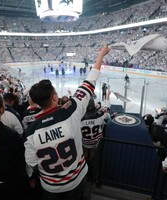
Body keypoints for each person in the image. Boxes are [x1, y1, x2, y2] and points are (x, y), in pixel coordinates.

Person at [24, 45, 110, 200]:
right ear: (55, 97)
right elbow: (89, 83)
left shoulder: (30, 131)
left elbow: (31, 163)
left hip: (51, 186)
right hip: (77, 180)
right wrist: (101, 55)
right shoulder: (72, 110)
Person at [81, 98, 107, 183]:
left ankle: (85, 174)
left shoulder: (80, 119)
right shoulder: (100, 117)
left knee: (84, 157)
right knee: (92, 158)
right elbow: (107, 115)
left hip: (84, 142)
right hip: (95, 142)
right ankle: (92, 175)